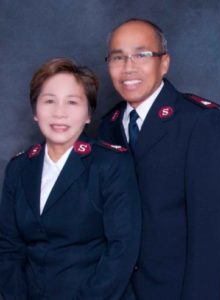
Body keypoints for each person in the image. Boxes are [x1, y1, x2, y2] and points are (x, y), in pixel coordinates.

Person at [99, 18, 220, 299]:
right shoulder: (106, 126)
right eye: (118, 57)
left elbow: (211, 233)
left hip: (175, 290)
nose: (128, 67)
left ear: (165, 62)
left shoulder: (198, 122)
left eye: (141, 55)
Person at [0, 58, 141, 299]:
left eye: (72, 102)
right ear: (35, 111)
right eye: (49, 101)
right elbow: (8, 248)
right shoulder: (19, 167)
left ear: (88, 114)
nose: (59, 113)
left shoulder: (110, 164)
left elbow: (122, 250)